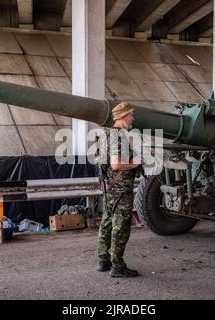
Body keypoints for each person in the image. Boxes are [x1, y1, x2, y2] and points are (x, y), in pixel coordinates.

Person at [96, 102, 141, 278]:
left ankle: (103, 260)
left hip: (109, 187)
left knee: (107, 222)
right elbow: (116, 164)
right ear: (123, 116)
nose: (133, 118)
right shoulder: (119, 137)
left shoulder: (105, 134)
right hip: (120, 188)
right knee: (120, 227)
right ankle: (118, 266)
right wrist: (135, 163)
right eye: (131, 115)